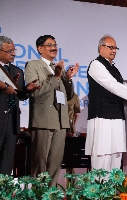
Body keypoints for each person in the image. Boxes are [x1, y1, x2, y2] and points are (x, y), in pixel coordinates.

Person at [85, 35, 127, 172]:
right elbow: (112, 86)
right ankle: (99, 193)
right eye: (110, 47)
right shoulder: (96, 64)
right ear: (101, 48)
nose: (114, 51)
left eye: (115, 48)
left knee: (115, 159)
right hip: (102, 118)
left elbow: (122, 94)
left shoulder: (114, 69)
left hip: (117, 118)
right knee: (102, 157)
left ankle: (112, 192)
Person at [25, 35, 79, 186]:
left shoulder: (57, 68)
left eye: (55, 44)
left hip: (60, 122)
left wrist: (67, 78)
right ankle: (38, 193)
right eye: (49, 45)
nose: (54, 47)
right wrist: (56, 77)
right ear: (40, 49)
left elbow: (67, 96)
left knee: (55, 164)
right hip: (43, 120)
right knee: (40, 163)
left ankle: (51, 194)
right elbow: (35, 92)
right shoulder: (33, 65)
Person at [0, 36, 39, 175]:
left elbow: (19, 95)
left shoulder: (17, 71)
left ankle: (4, 191)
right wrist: (4, 88)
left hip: (12, 121)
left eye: (14, 50)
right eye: (9, 51)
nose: (14, 54)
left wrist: (27, 90)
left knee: (7, 158)